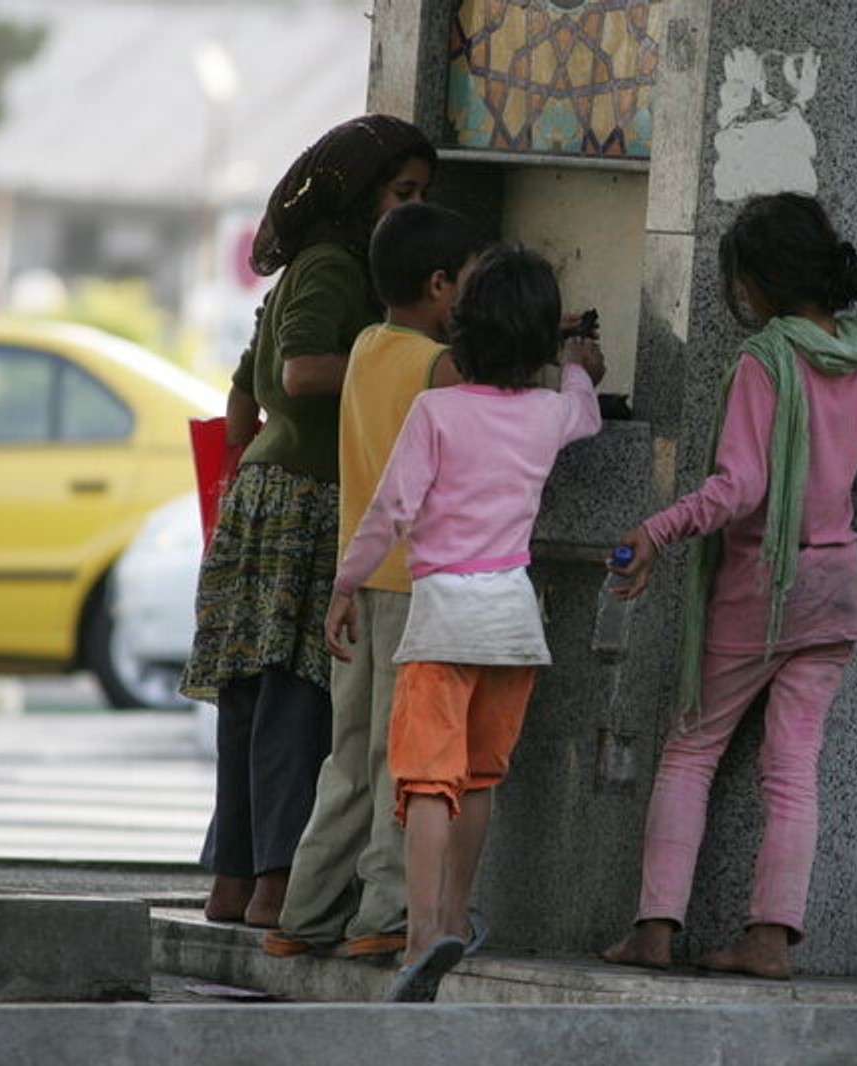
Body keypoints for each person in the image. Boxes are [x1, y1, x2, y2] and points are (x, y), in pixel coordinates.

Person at [601, 192, 857, 979]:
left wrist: (658, 529)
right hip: (835, 585)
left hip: (760, 583)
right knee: (793, 768)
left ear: (759, 285)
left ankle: (655, 930)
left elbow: (740, 488)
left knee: (691, 751)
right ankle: (770, 938)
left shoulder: (764, 360)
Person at [324, 246, 605, 1001]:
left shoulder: (437, 412)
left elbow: (392, 509)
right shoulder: (548, 412)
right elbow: (585, 411)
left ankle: (421, 939)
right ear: (539, 339)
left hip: (443, 620)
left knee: (425, 784)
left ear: (464, 329)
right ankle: (454, 915)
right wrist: (578, 366)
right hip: (513, 624)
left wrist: (346, 584)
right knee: (478, 778)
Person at [181, 115, 437, 928]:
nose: (411, 209)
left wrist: (243, 476)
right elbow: (297, 371)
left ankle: (233, 882)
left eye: (421, 196)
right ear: (358, 196)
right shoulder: (335, 266)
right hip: (310, 499)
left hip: (267, 493)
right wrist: (398, 359)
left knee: (253, 696)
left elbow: (242, 393)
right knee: (296, 696)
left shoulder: (308, 266)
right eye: (401, 194)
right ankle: (275, 885)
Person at [263, 203, 484, 959]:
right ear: (441, 285)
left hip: (356, 577)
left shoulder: (364, 345)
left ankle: (305, 913)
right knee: (403, 755)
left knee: (348, 756)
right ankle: (384, 913)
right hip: (414, 584)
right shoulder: (438, 367)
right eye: (470, 281)